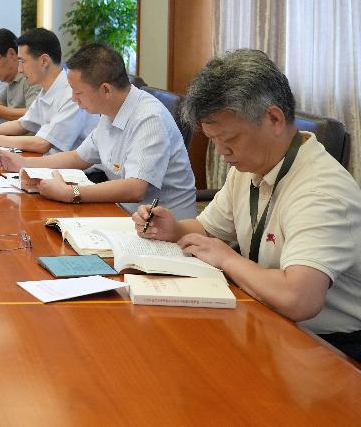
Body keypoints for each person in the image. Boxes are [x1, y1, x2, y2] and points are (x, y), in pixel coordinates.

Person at [135, 49, 361, 362]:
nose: (221, 152)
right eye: (213, 139)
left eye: (230, 139)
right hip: (265, 317)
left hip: (327, 348)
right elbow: (208, 228)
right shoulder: (251, 166)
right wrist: (172, 229)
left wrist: (227, 258)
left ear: (274, 119)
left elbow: (299, 299)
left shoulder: (320, 191)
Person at [0, 43, 196, 217]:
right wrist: (24, 163)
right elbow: (78, 157)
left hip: (164, 229)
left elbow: (135, 188)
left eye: (78, 92)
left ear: (105, 89)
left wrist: (71, 193)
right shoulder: (110, 110)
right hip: (124, 215)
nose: (73, 99)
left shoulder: (149, 118)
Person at [0, 28, 96, 154]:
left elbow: (43, 143)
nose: (19, 69)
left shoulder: (71, 93)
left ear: (44, 61)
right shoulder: (47, 89)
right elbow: (23, 124)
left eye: (22, 62)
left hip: (81, 170)